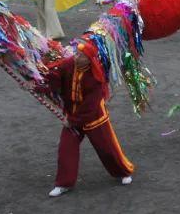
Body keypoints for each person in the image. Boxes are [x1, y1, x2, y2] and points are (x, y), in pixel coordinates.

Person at [44, 41, 135, 197]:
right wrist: (35, 85)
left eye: (80, 55)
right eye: (76, 53)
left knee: (107, 149)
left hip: (94, 119)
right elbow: (55, 78)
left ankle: (123, 172)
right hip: (72, 115)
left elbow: (90, 108)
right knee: (66, 148)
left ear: (88, 59)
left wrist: (71, 121)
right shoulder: (68, 64)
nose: (75, 57)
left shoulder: (95, 78)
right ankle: (63, 183)